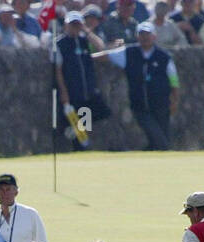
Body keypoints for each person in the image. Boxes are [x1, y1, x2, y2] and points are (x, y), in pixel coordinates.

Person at [98, 19, 179, 150]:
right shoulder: (129, 53)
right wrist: (86, 58)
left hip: (161, 104)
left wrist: (174, 100)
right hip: (140, 105)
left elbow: (174, 81)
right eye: (142, 34)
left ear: (154, 36)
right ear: (137, 36)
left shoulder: (164, 57)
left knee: (161, 139)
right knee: (161, 141)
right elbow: (107, 56)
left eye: (148, 34)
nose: (145, 37)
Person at [55, 10, 111, 149]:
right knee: (81, 138)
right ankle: (78, 144)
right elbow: (58, 70)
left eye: (77, 25)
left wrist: (86, 31)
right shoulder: (59, 44)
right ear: (66, 25)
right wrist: (64, 93)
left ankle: (74, 131)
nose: (74, 28)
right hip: (73, 93)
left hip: (88, 92)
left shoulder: (84, 41)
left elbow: (101, 48)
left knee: (102, 112)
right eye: (72, 25)